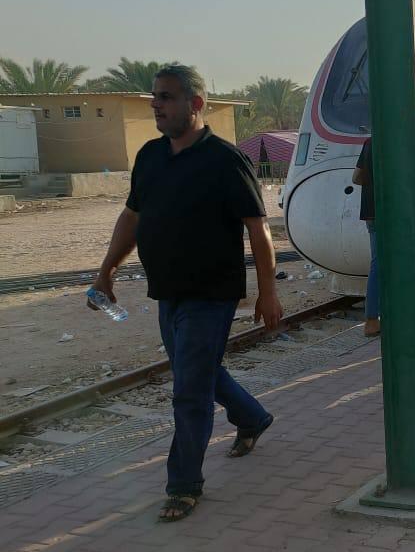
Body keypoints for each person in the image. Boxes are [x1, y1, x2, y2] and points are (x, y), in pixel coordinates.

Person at [90, 64, 280, 523]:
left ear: (195, 104)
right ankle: (252, 417)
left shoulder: (225, 160)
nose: (156, 104)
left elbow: (258, 230)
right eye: (155, 96)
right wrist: (105, 271)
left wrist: (268, 292)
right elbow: (132, 217)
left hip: (211, 294)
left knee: (189, 390)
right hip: (168, 291)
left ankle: (183, 485)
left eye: (167, 97)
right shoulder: (151, 156)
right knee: (199, 372)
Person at [351, 137, 380, 336]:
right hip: (390, 214)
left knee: (378, 263)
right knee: (380, 265)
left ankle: (373, 318)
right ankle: (372, 319)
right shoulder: (402, 137)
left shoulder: (369, 142)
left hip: (371, 212)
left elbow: (356, 178)